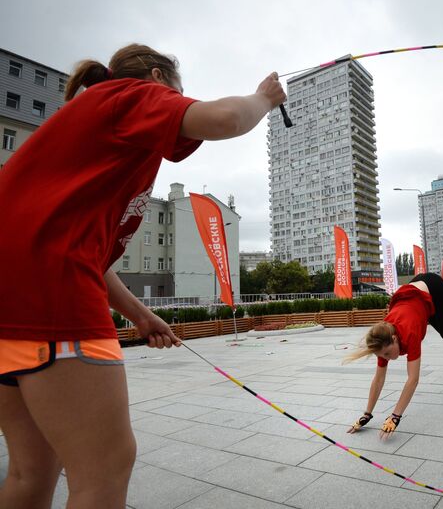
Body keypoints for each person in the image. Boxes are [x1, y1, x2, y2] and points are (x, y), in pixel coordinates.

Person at [0, 44, 286, 509]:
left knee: (32, 469)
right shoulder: (126, 96)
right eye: (177, 93)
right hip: (51, 295)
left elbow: (93, 259)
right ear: (157, 78)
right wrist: (263, 97)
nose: (177, 103)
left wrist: (141, 315)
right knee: (106, 469)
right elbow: (225, 120)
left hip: (14, 301)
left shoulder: (93, 129)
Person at [345, 273, 443, 439]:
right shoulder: (382, 339)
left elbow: (412, 379)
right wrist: (367, 414)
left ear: (394, 339)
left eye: (386, 354)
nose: (385, 358)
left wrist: (395, 416)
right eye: (382, 356)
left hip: (434, 287)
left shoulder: (409, 333)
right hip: (415, 294)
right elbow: (378, 379)